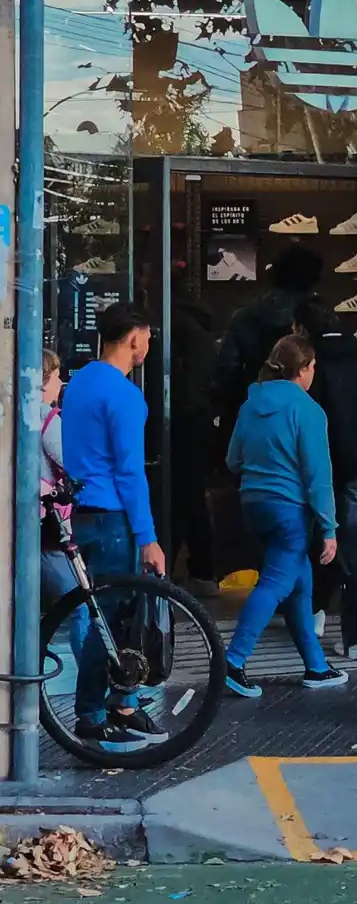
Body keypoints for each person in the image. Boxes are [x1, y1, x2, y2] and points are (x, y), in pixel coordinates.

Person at [61, 302, 169, 750]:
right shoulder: (125, 396)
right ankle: (93, 714)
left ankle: (122, 702)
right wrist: (148, 537)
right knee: (111, 618)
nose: (148, 344)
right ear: (134, 339)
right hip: (113, 519)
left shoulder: (80, 382)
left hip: (81, 513)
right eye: (147, 336)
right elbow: (130, 472)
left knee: (99, 613)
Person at [223, 335, 348, 697]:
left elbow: (233, 460)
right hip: (289, 510)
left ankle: (316, 666)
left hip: (253, 505)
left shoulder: (251, 405)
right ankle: (232, 661)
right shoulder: (307, 410)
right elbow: (318, 477)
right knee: (276, 584)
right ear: (304, 369)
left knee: (299, 583)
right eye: (312, 369)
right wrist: (329, 527)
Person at [295, 297, 357, 663]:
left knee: (349, 548)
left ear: (302, 330)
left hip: (344, 469)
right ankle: (316, 610)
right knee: (334, 540)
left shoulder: (316, 367)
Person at [214, 243, 324, 428]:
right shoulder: (316, 317)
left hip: (252, 410)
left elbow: (227, 368)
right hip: (303, 412)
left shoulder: (246, 315)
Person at [38, 349, 91, 714]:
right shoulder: (48, 420)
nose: (61, 383)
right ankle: (93, 683)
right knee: (80, 607)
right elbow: (76, 465)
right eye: (56, 376)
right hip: (48, 534)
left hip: (27, 532)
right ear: (43, 380)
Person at [170, 292, 219, 596]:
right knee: (192, 498)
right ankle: (203, 570)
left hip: (181, 419)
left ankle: (169, 566)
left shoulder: (175, 327)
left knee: (177, 498)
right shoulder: (201, 332)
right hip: (199, 420)